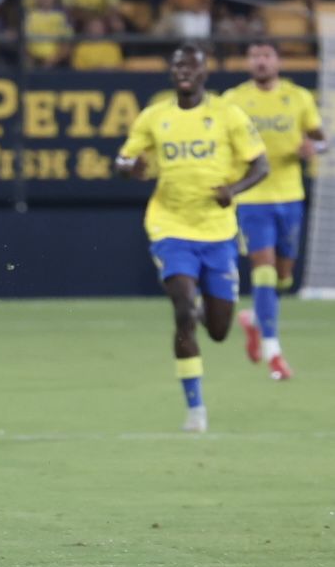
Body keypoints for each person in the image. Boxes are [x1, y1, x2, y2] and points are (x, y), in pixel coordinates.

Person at [115, 44, 268, 433]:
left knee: (217, 331)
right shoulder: (154, 116)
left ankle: (226, 314)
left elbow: (260, 164)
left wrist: (234, 189)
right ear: (172, 73)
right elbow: (123, 160)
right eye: (178, 65)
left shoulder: (227, 114)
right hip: (170, 227)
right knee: (182, 307)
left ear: (204, 73)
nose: (184, 71)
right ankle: (195, 410)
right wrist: (129, 168)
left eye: (191, 66)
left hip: (217, 233)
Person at [221, 42, 326, 380]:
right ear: (248, 61)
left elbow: (322, 139)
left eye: (267, 56)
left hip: (290, 196)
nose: (261, 62)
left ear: (278, 61)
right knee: (263, 272)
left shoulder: (298, 97)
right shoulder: (234, 100)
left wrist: (315, 147)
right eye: (255, 56)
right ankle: (273, 352)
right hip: (252, 198)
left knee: (284, 278)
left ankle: (254, 320)